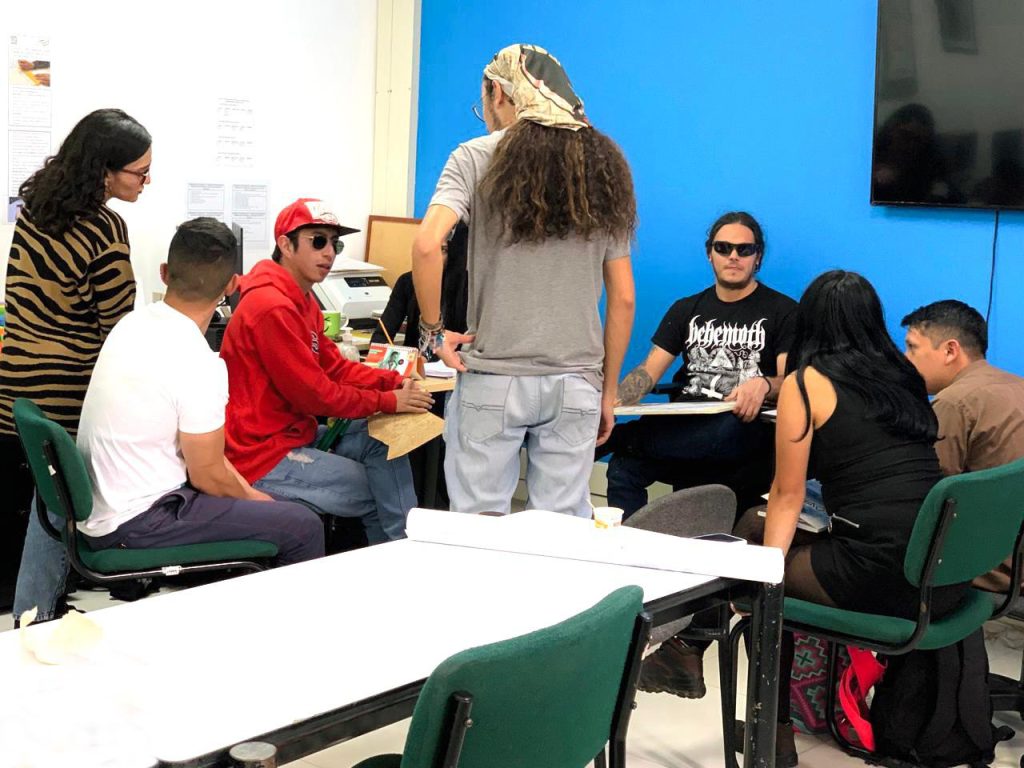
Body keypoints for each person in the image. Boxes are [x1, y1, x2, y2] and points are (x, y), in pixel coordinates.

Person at [734, 270, 967, 765]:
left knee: (754, 545)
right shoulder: (906, 376)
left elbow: (787, 494)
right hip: (941, 568)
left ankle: (772, 733)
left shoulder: (806, 383)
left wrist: (766, 579)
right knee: (766, 538)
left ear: (809, 324)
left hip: (879, 572)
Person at [411, 43, 637, 517]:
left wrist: (433, 335)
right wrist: (608, 393)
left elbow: (427, 245)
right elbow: (623, 299)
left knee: (478, 533)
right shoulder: (603, 171)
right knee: (560, 540)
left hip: (493, 376)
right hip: (576, 381)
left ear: (497, 92)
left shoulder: (474, 157)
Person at [77, 218, 324, 564]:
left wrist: (251, 496)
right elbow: (208, 475)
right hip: (140, 521)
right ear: (232, 286)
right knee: (302, 525)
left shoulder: (130, 325)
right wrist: (261, 503)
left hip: (105, 512)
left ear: (164, 273)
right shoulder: (198, 361)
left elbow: (209, 462)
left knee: (268, 508)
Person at [5, 108, 152, 625]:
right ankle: (42, 611)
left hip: (15, 380)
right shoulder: (104, 226)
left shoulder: (35, 208)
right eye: (139, 171)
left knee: (40, 499)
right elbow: (115, 319)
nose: (146, 180)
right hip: (66, 387)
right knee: (61, 501)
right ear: (104, 170)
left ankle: (35, 605)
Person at [221, 198, 432, 544]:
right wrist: (389, 400)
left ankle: (403, 546)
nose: (329, 252)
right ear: (285, 244)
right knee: (377, 491)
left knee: (382, 440)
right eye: (317, 241)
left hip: (293, 434)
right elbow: (316, 394)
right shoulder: (271, 307)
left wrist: (394, 380)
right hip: (262, 454)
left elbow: (333, 367)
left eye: (335, 243)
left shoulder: (302, 301)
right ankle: (401, 555)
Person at [606, 211, 797, 517]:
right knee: (623, 468)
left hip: (740, 425)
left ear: (757, 258)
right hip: (687, 420)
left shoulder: (783, 311)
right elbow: (648, 371)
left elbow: (791, 381)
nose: (733, 256)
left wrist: (763, 384)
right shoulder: (686, 309)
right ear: (710, 254)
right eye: (723, 248)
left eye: (744, 250)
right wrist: (609, 403)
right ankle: (629, 551)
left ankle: (626, 438)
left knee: (726, 432)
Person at [902, 299, 1024, 592]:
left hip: (986, 565)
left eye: (912, 348)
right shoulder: (1017, 385)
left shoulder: (954, 403)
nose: (905, 359)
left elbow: (932, 493)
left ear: (950, 350)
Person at [370, 222, 469, 353]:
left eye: (443, 250)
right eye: (431, 249)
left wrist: (431, 357)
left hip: (454, 363)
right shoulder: (407, 282)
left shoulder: (469, 286)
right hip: (414, 363)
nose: (435, 256)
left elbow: (441, 344)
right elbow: (382, 335)